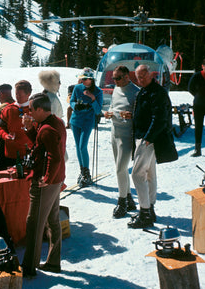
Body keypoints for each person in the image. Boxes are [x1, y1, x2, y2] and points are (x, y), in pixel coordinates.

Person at [21, 93, 66, 278]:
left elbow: (53, 156)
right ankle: (53, 262)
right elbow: (42, 146)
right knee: (52, 221)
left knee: (34, 224)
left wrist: (46, 178)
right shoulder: (54, 122)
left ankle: (29, 268)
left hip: (45, 183)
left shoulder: (47, 128)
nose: (29, 112)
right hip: (56, 180)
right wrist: (30, 129)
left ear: (40, 109)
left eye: (31, 109)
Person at [129, 65, 178, 229]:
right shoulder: (144, 90)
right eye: (138, 77)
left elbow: (160, 117)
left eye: (143, 75)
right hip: (144, 137)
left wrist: (148, 138)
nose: (141, 79)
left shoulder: (157, 92)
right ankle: (149, 208)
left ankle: (144, 213)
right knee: (149, 174)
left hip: (148, 139)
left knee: (137, 174)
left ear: (151, 74)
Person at [104, 66, 140, 218]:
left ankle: (122, 201)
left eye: (118, 78)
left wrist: (132, 115)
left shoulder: (136, 92)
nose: (115, 81)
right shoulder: (117, 90)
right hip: (115, 132)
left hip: (127, 135)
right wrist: (109, 112)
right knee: (121, 168)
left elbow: (141, 114)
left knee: (120, 168)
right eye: (114, 78)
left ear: (127, 77)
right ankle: (129, 198)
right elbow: (113, 105)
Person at [69, 68, 103, 187]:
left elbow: (98, 110)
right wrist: (75, 106)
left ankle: (86, 173)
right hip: (75, 121)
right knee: (78, 147)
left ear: (91, 79)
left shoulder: (98, 92)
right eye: (81, 78)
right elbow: (71, 101)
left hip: (87, 122)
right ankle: (82, 171)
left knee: (83, 146)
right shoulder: (78, 88)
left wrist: (93, 98)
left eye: (84, 79)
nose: (82, 80)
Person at [0, 80, 34, 165]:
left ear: (28, 94)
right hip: (10, 155)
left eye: (19, 95)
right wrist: (5, 135)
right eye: (16, 94)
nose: (17, 97)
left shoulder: (34, 109)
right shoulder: (8, 109)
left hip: (29, 154)